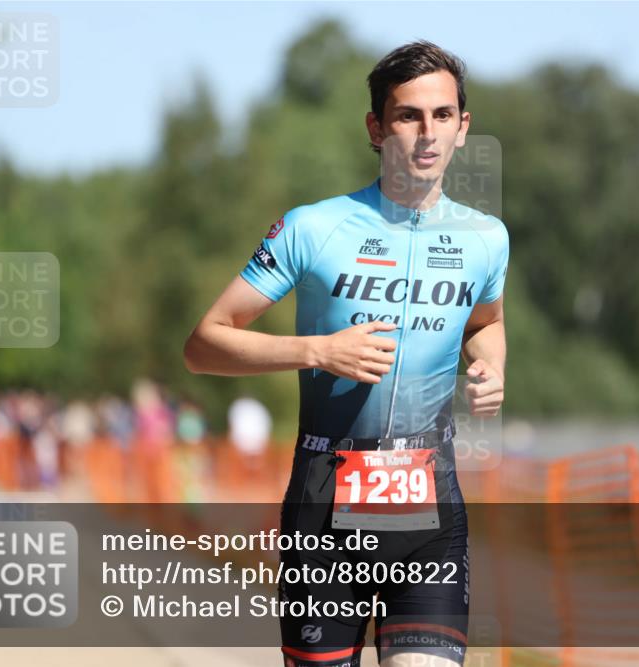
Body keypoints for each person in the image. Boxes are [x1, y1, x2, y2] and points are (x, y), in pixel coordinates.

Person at [185, 40, 508, 667]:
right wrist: (317, 350)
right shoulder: (315, 227)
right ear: (376, 127)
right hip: (324, 514)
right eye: (408, 116)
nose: (426, 134)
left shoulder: (485, 239)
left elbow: (486, 323)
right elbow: (205, 343)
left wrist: (492, 366)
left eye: (442, 116)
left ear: (463, 128)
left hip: (429, 517)